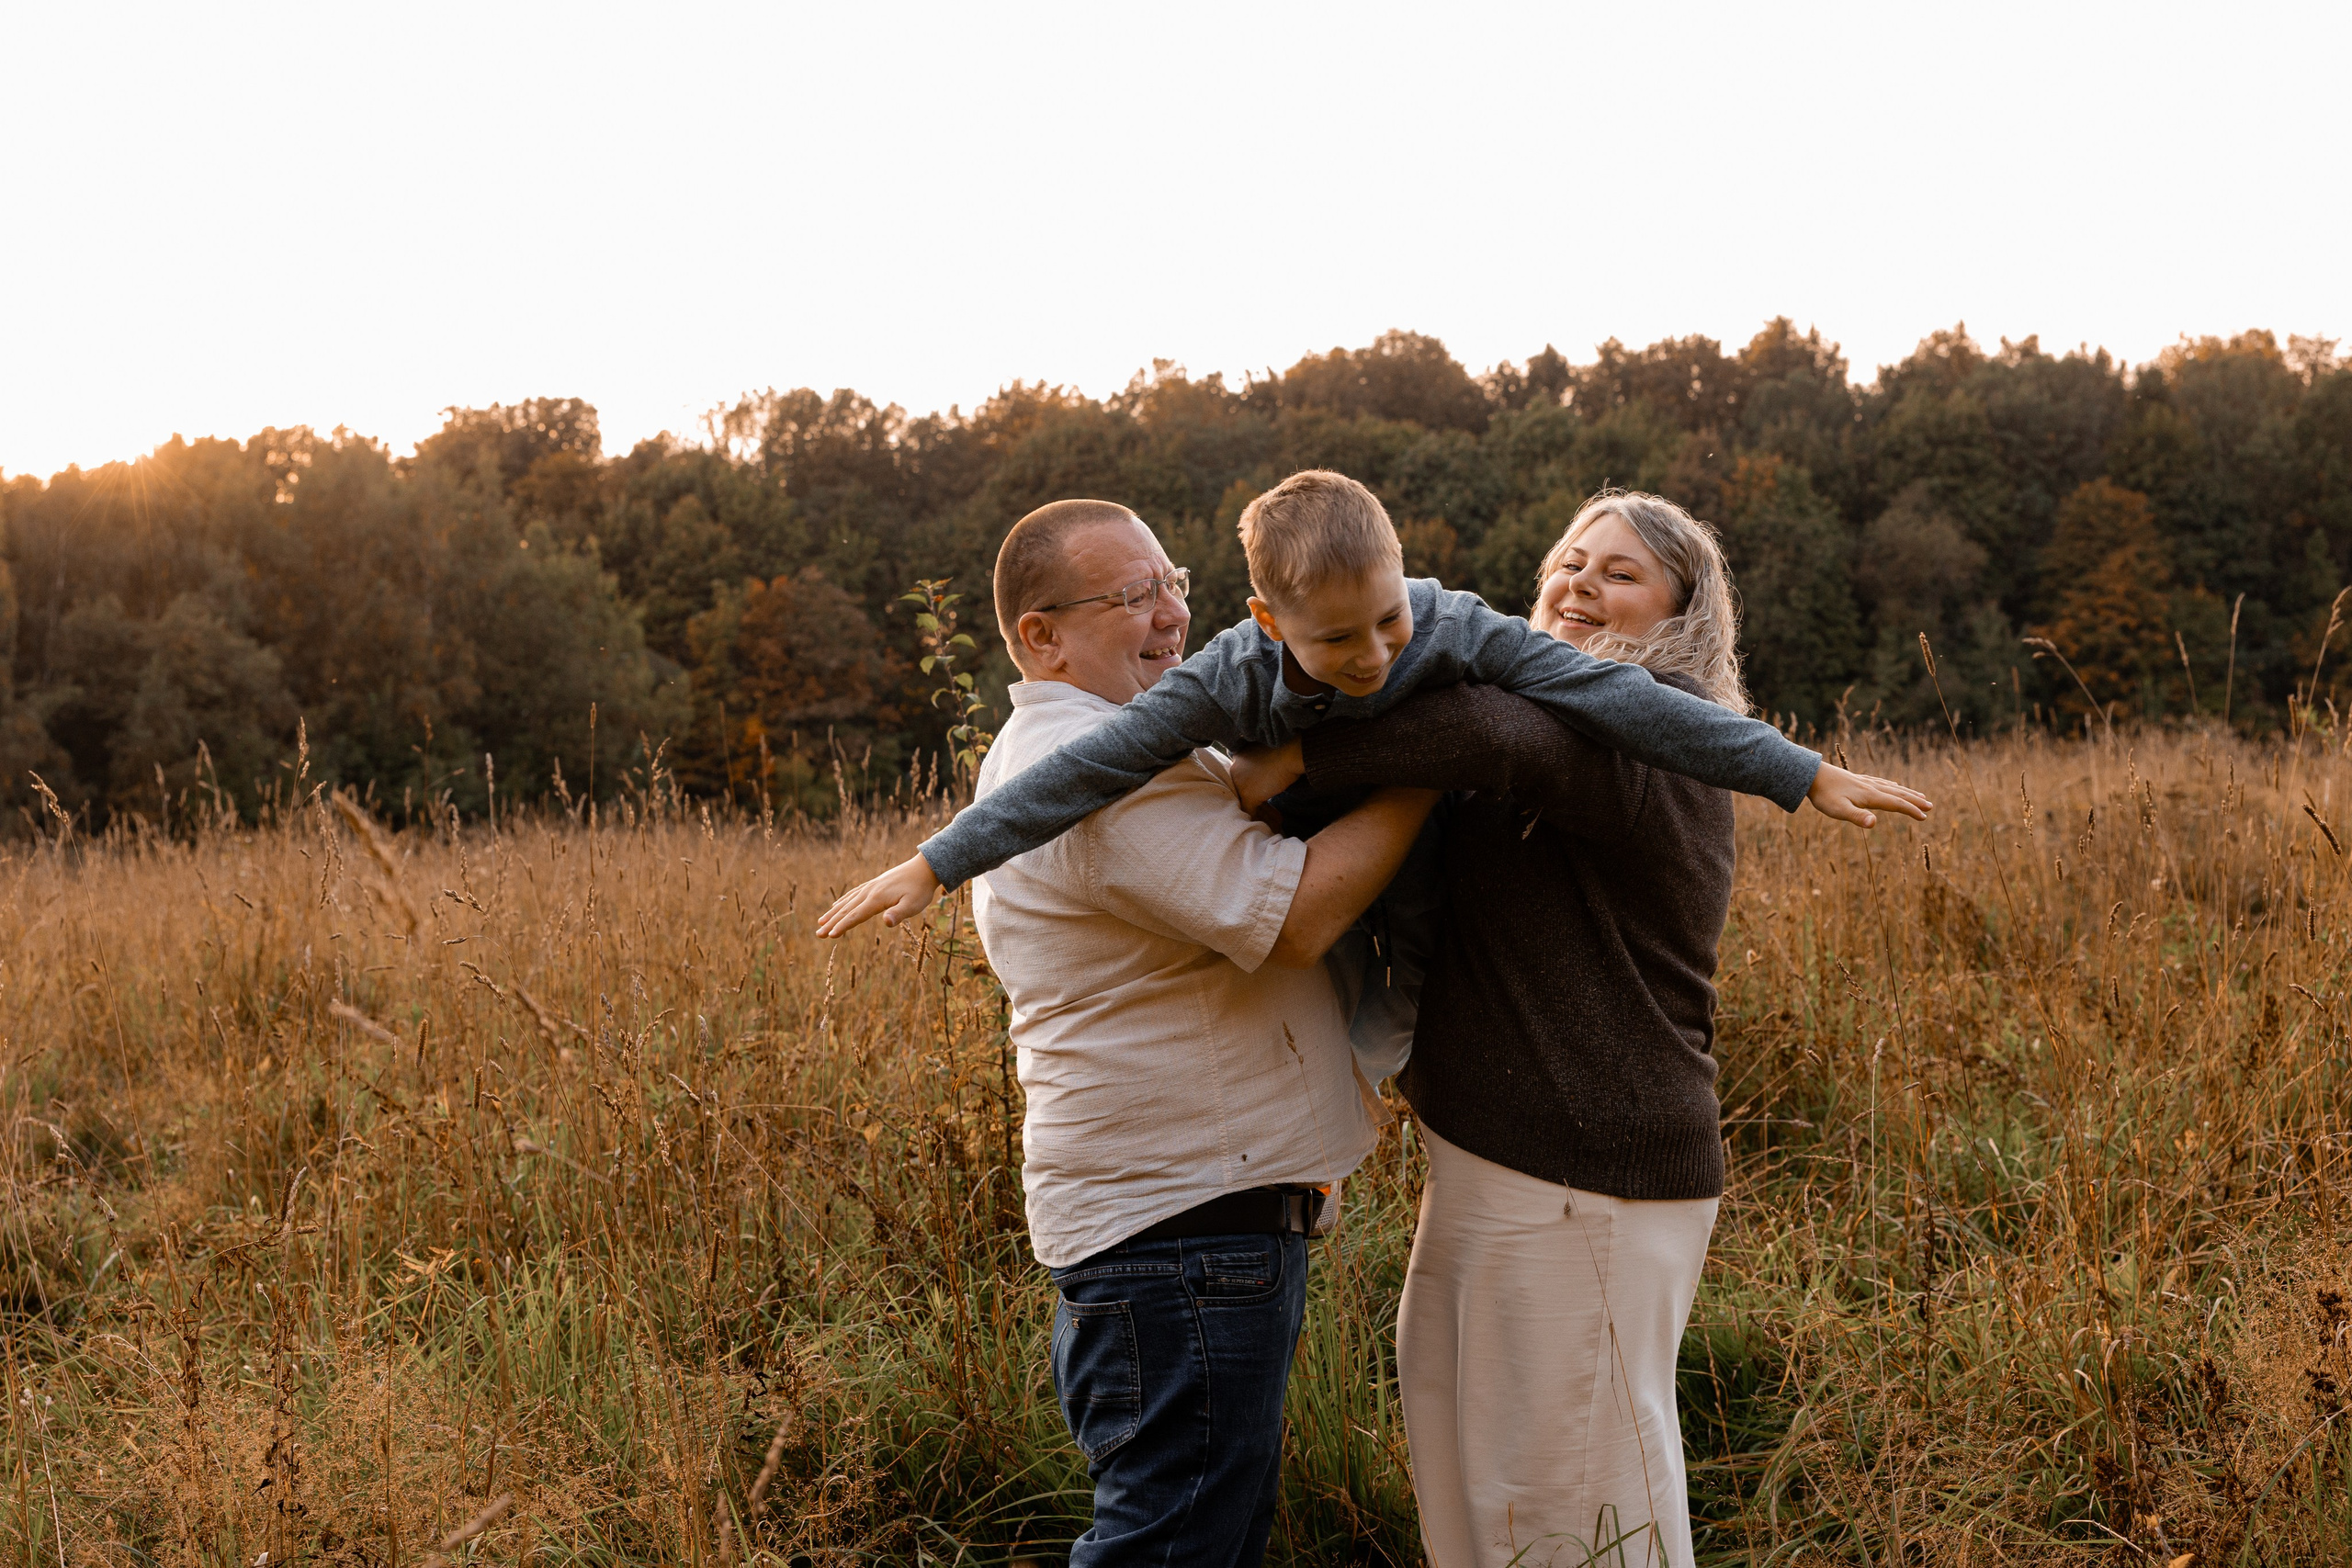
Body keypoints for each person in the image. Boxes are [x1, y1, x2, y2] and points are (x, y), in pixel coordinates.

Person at [1238, 491, 1905, 1567]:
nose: (1579, 584)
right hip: (1494, 1169)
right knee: (1479, 1505)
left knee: (1574, 1518)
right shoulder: (1555, 720)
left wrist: (1291, 762)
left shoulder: (1653, 729)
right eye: (1566, 561)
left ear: (1684, 616)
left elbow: (1480, 728)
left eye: (1621, 573)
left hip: (1586, 1177)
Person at [814, 469, 1928, 942]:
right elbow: (1081, 774)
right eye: (1338, 640)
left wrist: (1800, 771)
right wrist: (936, 864)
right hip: (1313, 860)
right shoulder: (1223, 676)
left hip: (1415, 863)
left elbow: (1610, 693)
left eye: (1388, 621)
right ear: (1267, 620)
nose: (1375, 655)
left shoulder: (1456, 626)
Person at [956, 498, 1438, 1567]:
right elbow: (1296, 912)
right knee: (1171, 1547)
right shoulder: (1090, 769)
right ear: (1041, 636)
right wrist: (1434, 760)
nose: (1174, 615)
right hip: (1180, 1228)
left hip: (1190, 1221)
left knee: (1193, 1537)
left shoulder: (1132, 740)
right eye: (1133, 598)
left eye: (1173, 581)